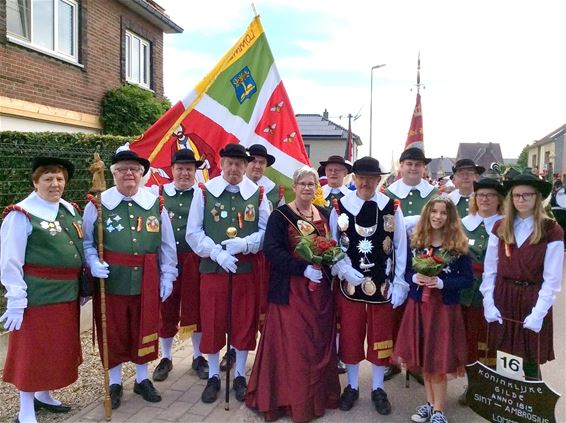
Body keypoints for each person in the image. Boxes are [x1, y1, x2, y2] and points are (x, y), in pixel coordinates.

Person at [83, 150, 178, 410]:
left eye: (134, 169)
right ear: (113, 174)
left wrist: (169, 274)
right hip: (112, 280)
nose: (129, 173)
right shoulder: (98, 204)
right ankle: (114, 383)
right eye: (123, 168)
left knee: (143, 327)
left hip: (147, 277)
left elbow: (167, 245)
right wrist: (92, 262)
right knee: (113, 331)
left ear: (141, 174)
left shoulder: (155, 204)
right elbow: (87, 243)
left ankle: (142, 379)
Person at [245, 166, 340, 422]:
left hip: (319, 291)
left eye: (312, 184)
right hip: (291, 291)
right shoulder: (280, 215)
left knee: (317, 343)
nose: (308, 188)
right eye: (303, 184)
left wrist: (329, 261)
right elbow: (272, 251)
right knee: (295, 347)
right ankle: (291, 400)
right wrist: (302, 268)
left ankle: (318, 397)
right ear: (295, 186)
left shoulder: (325, 213)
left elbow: (333, 246)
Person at [0, 157, 84, 423]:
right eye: (48, 178)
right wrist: (15, 300)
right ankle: (26, 409)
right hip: (37, 296)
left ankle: (43, 395)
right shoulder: (20, 214)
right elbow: (10, 260)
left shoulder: (69, 209)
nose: (55, 184)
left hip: (67, 294)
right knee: (32, 351)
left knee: (56, 348)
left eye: (59, 178)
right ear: (35, 182)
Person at [186, 143, 270, 404]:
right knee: (212, 321)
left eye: (239, 164)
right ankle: (213, 375)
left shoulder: (257, 194)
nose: (234, 168)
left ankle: (240, 376)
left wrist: (246, 243)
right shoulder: (204, 192)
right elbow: (193, 232)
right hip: (213, 269)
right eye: (229, 163)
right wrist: (216, 252)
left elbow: (267, 231)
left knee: (243, 321)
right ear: (221, 164)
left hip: (244, 269)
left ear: (246, 167)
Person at [329, 156, 408, 415]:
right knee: (350, 335)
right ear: (354, 179)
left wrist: (399, 283)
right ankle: (352, 386)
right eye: (361, 178)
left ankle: (377, 388)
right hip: (349, 286)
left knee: (380, 337)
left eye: (371, 179)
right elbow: (332, 245)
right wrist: (342, 269)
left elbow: (400, 248)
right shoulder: (339, 207)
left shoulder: (391, 207)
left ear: (378, 180)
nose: (365, 183)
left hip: (382, 285)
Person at [394, 196, 473, 423]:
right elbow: (407, 272)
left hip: (443, 310)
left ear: (450, 217)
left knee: (438, 360)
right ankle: (429, 404)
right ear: (427, 214)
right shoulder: (418, 242)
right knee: (425, 358)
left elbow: (467, 280)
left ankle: (439, 410)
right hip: (419, 306)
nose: (438, 216)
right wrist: (414, 277)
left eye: (443, 213)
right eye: (434, 212)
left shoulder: (457, 246)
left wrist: (442, 283)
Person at [480, 170, 564, 380]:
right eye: (517, 195)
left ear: (537, 198)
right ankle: (505, 410)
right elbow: (490, 269)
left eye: (527, 194)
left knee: (530, 361)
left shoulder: (551, 229)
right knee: (504, 360)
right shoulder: (500, 227)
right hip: (504, 296)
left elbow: (552, 279)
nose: (521, 199)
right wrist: (488, 301)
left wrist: (539, 313)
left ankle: (531, 410)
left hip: (532, 299)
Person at [150, 149, 209, 382]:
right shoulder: (159, 192)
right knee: (167, 307)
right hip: (166, 260)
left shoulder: (203, 194)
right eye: (180, 168)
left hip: (194, 258)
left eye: (189, 169)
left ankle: (197, 356)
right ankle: (165, 357)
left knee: (196, 306)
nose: (184, 173)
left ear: (195, 172)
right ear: (171, 170)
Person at [385, 147, 438, 383]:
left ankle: (417, 363)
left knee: (420, 313)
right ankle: (393, 360)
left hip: (425, 260)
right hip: (395, 258)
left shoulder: (434, 194)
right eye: (409, 164)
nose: (413, 168)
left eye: (418, 164)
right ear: (401, 166)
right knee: (394, 310)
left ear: (423, 168)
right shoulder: (388, 193)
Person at [458, 172, 506, 405]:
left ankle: (490, 389)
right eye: (480, 195)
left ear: (499, 200)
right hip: (467, 292)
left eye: (490, 195)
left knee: (491, 342)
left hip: (496, 291)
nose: (484, 199)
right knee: (469, 342)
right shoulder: (464, 224)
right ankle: (473, 387)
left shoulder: (507, 225)